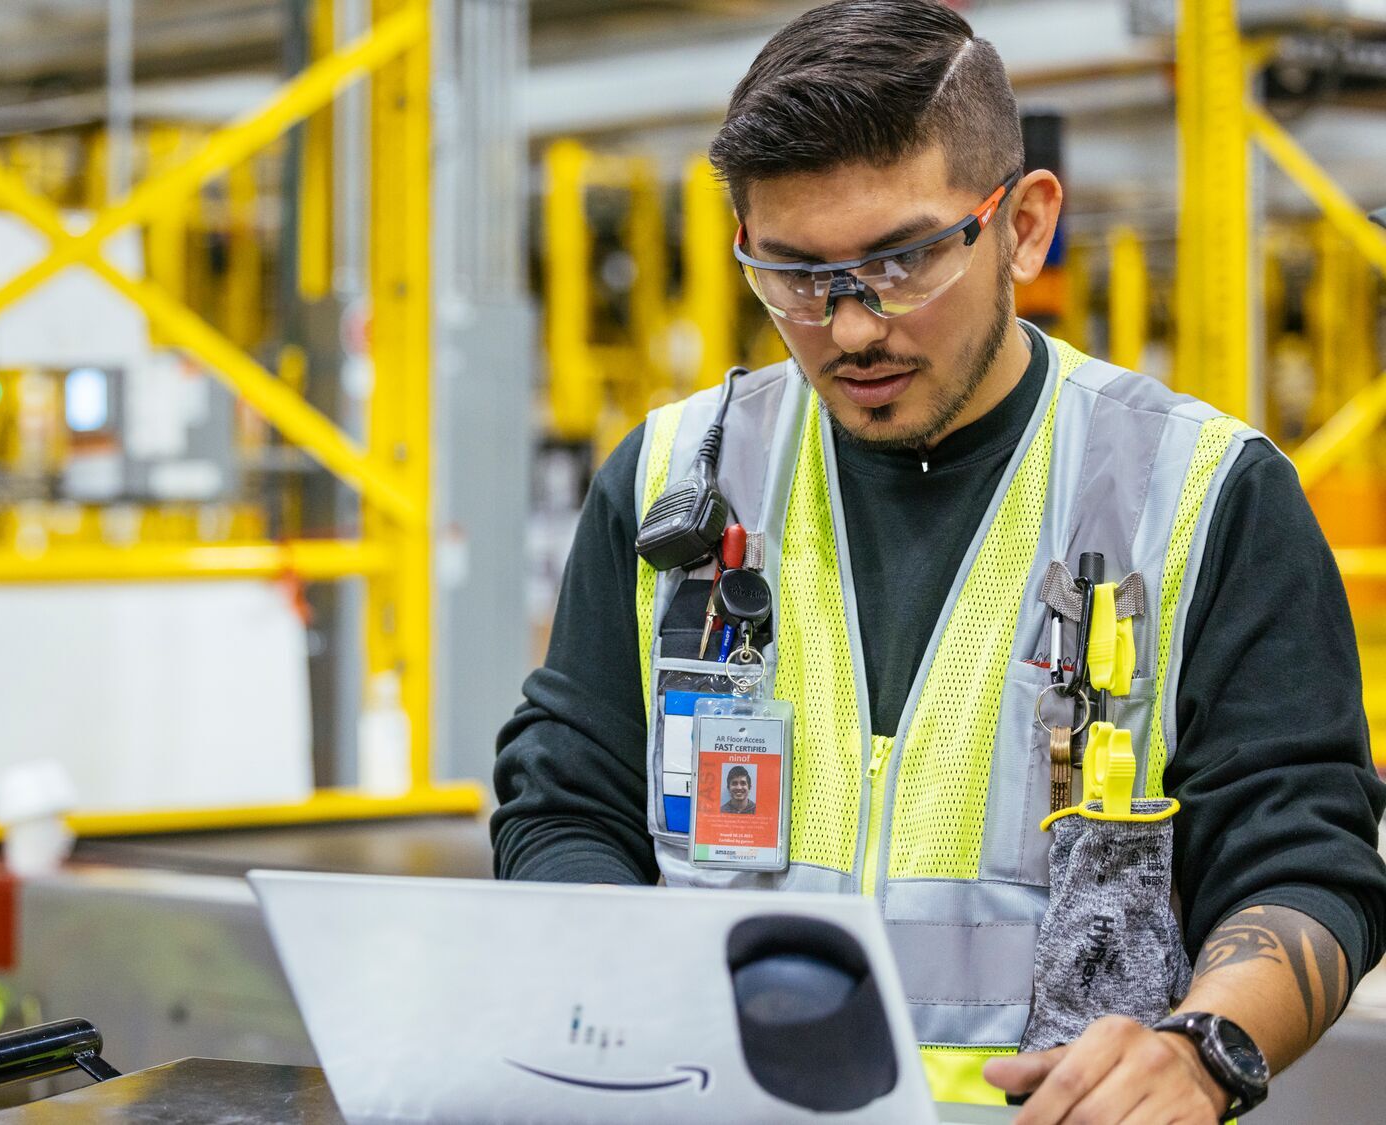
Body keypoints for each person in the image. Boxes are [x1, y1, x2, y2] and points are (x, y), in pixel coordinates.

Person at [491, 1, 1386, 1119]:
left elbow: (1301, 856)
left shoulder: (1202, 495)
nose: (851, 326)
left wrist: (1203, 1049)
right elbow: (567, 801)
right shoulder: (673, 478)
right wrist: (613, 1000)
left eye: (900, 261)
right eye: (793, 275)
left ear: (1020, 224)